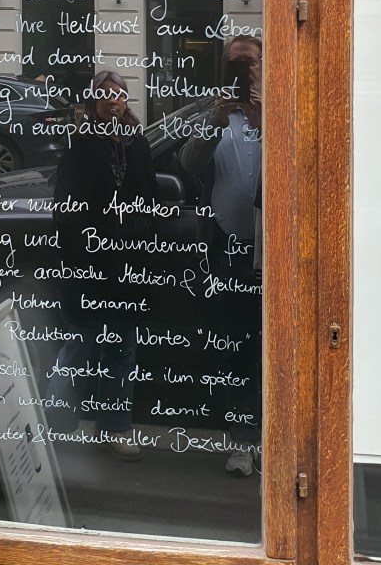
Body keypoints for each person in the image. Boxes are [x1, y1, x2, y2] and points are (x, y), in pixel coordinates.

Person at [46, 70, 157, 460]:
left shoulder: (138, 145)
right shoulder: (80, 147)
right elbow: (65, 208)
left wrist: (141, 239)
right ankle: (55, 423)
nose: (113, 100)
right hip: (90, 264)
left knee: (122, 350)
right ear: (94, 102)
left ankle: (116, 427)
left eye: (120, 94)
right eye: (106, 95)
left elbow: (150, 199)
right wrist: (80, 253)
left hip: (127, 267)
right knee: (80, 344)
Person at [180, 36, 263, 477]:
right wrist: (215, 121)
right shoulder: (214, 114)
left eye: (251, 64)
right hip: (228, 248)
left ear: (264, 66)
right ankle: (242, 442)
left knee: (279, 349)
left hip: (275, 252)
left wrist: (266, 116)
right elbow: (188, 163)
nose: (243, 73)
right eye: (235, 65)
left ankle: (277, 440)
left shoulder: (279, 111)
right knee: (237, 346)